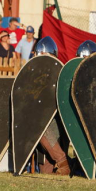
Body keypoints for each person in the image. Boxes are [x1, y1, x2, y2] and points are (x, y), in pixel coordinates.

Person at [34, 37, 70, 175]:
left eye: (46, 56)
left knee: (41, 127)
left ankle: (63, 161)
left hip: (56, 120)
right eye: (40, 55)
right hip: (35, 121)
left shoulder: (59, 74)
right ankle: (64, 162)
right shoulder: (31, 73)